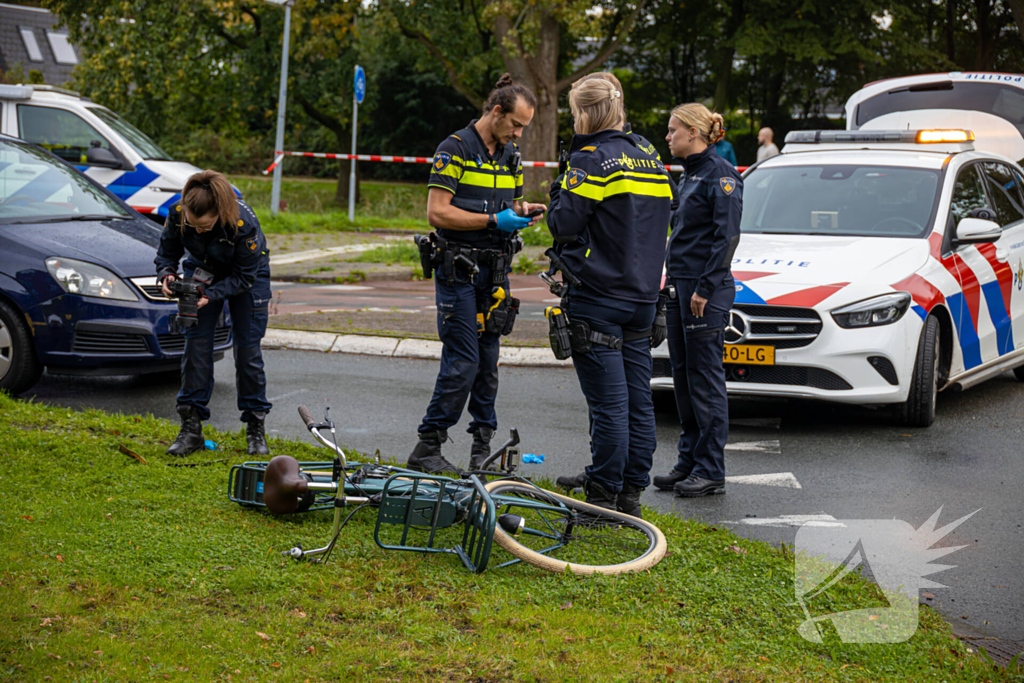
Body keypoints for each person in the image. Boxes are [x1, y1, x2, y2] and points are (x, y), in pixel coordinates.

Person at [406, 74, 547, 476]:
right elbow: (437, 212)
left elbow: (511, 206)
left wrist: (522, 213)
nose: (519, 134)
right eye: (516, 125)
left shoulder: (512, 156)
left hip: (495, 272)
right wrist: (492, 219)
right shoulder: (454, 149)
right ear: (496, 111)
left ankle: (480, 449)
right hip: (459, 271)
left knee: (488, 362)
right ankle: (427, 446)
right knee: (463, 360)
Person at [547, 77, 674, 516]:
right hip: (642, 297)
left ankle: (601, 497)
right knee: (639, 402)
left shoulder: (591, 160)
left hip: (598, 295)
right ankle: (630, 495)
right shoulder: (649, 157)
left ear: (584, 114)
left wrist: (560, 182)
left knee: (609, 406)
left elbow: (562, 222)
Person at [653, 104, 742, 497]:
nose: (668, 137)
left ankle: (711, 470)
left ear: (692, 132)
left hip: (704, 289)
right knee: (684, 380)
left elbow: (727, 239)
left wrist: (705, 289)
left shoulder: (720, 175)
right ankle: (688, 462)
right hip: (680, 285)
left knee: (705, 382)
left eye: (673, 130)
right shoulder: (690, 174)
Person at [155, 170, 273, 457]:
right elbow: (167, 253)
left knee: (247, 352)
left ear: (220, 214)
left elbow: (244, 278)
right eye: (192, 227)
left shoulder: (245, 225)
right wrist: (166, 275)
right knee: (195, 347)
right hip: (201, 270)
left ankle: (255, 428)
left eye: (205, 229)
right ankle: (191, 428)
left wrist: (210, 296)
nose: (197, 232)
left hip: (247, 277)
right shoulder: (179, 213)